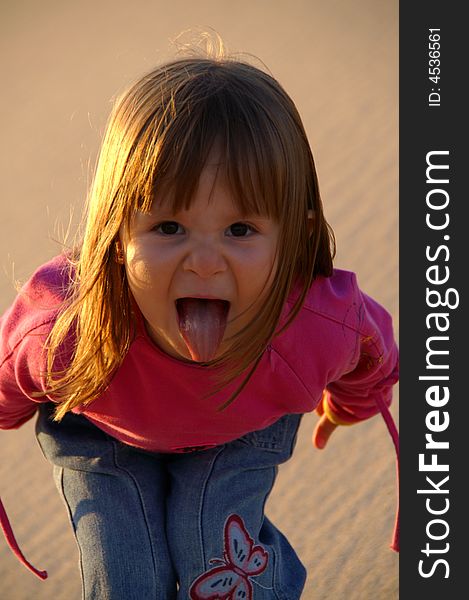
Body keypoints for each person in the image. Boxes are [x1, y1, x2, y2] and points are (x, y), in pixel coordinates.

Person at [0, 47, 399, 600]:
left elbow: (372, 357)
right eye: (168, 227)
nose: (205, 262)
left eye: (240, 229)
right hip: (103, 426)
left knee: (221, 562)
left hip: (240, 425)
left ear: (295, 238)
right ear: (116, 236)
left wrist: (345, 408)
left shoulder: (312, 325)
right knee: (127, 579)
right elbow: (8, 376)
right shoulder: (68, 331)